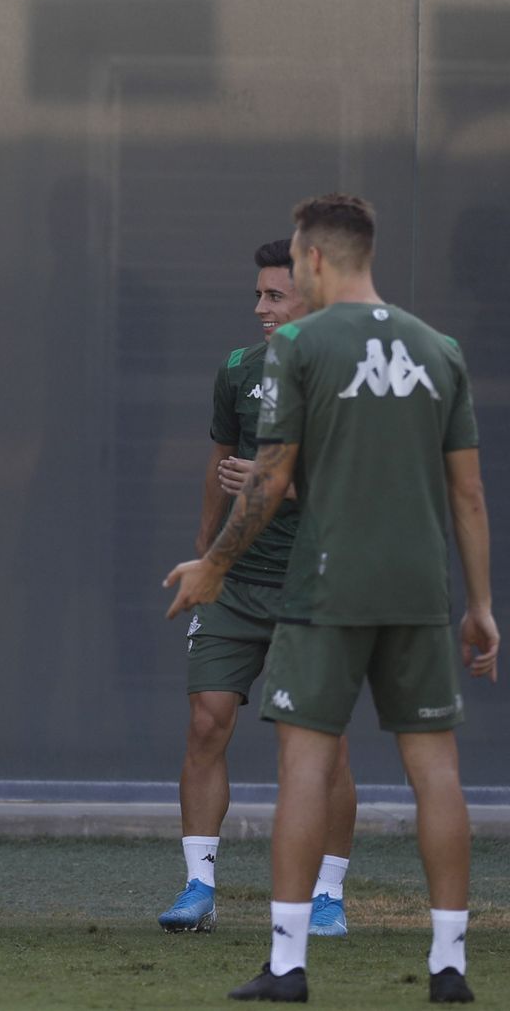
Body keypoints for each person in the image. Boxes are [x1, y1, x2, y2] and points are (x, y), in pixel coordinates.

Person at [165, 193, 496, 1004]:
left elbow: (272, 474)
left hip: (325, 585)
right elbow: (469, 495)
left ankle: (287, 963)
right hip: (420, 587)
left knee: (304, 765)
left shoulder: (303, 346)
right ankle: (450, 962)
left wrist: (212, 563)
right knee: (437, 772)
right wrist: (482, 606)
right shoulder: (439, 348)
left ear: (312, 260)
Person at [159, 239, 357, 937]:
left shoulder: (347, 373)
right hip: (237, 581)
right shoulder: (239, 370)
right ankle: (198, 886)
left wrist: (281, 484)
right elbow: (220, 458)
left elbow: (361, 486)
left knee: (320, 744)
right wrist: (207, 550)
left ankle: (328, 895)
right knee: (206, 718)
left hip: (317, 585)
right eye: (258, 295)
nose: (261, 308)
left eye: (275, 295)